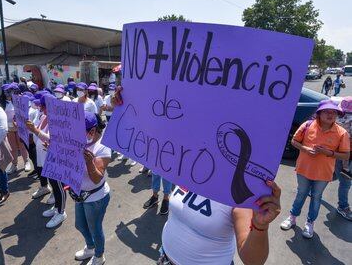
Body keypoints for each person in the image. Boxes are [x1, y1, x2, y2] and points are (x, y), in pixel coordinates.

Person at [111, 86, 281, 264]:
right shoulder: (189, 162)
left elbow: (253, 260)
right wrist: (127, 103)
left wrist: (260, 226)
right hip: (165, 258)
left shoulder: (241, 189)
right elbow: (150, 131)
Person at [280, 100, 350, 238]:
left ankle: (310, 223)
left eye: (334, 112)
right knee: (301, 194)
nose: (330, 114)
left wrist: (328, 153)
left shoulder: (342, 133)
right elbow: (294, 141)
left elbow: (346, 154)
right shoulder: (307, 125)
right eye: (327, 111)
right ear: (319, 113)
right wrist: (305, 148)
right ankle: (292, 218)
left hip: (323, 173)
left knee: (316, 197)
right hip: (304, 169)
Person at [73, 112, 111, 265]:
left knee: (95, 229)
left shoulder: (103, 147)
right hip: (80, 194)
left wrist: (89, 162)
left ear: (92, 131)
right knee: (80, 225)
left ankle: (99, 255)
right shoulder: (77, 141)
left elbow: (96, 178)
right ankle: (90, 247)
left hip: (96, 197)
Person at [27, 93, 66, 228]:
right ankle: (56, 207)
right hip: (44, 156)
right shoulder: (44, 116)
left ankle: (61, 212)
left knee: (58, 186)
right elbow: (38, 133)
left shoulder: (60, 119)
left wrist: (35, 130)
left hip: (56, 158)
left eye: (42, 106)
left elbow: (53, 139)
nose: (40, 108)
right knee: (53, 184)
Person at [3, 83, 30, 174]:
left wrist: (18, 121)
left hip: (20, 127)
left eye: (10, 91)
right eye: (7, 91)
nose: (8, 93)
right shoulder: (2, 103)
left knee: (22, 146)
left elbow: (25, 113)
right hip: (9, 127)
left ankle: (26, 162)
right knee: (13, 147)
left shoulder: (20, 100)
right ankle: (14, 164)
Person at [333, 98, 352, 221]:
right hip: (345, 157)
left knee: (334, 174)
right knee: (345, 183)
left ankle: (313, 189)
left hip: (338, 154)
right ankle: (343, 206)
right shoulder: (348, 122)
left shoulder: (337, 119)